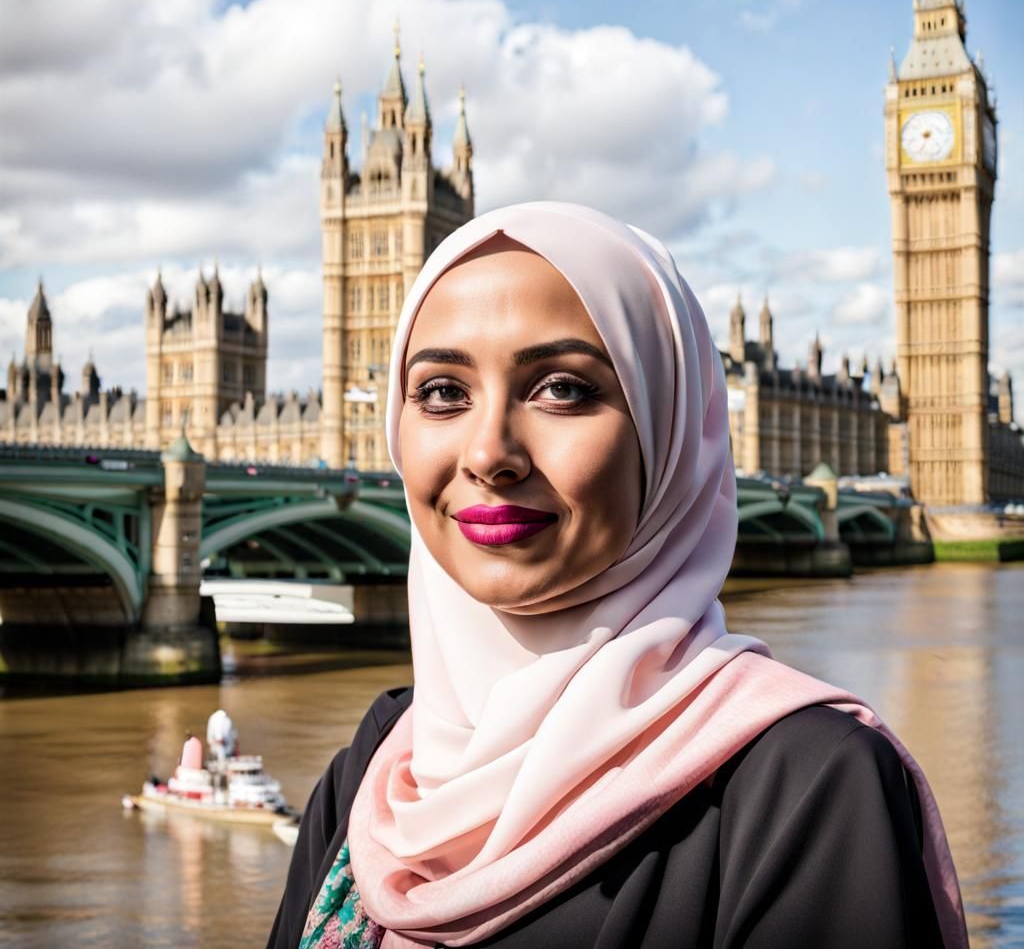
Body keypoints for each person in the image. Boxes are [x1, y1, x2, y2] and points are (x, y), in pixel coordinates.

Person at [269, 202, 968, 949]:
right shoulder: (377, 767)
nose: (488, 452)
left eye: (563, 388)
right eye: (442, 392)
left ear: (669, 430)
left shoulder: (809, 789)